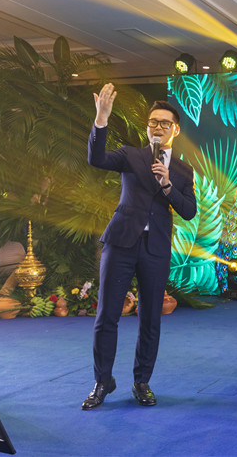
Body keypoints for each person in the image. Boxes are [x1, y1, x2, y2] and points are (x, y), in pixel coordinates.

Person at [82, 83, 196, 410]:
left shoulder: (182, 171)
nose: (157, 127)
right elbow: (96, 158)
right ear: (147, 128)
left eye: (164, 123)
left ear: (175, 130)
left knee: (150, 319)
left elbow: (189, 211)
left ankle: (141, 381)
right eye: (153, 122)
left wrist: (168, 186)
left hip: (155, 248)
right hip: (120, 242)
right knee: (107, 315)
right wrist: (101, 119)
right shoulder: (130, 154)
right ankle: (102, 381)